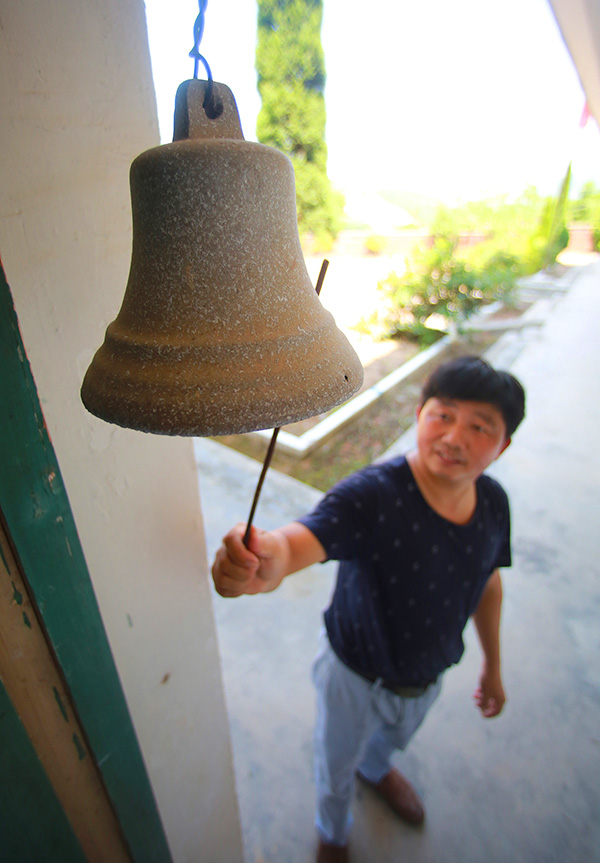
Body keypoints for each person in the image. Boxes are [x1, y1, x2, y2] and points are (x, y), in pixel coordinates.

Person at [212, 355, 526, 863]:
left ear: (503, 444)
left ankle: (377, 770)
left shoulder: (494, 504)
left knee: (390, 743)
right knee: (334, 765)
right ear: (419, 413)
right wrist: (267, 561)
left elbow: (488, 584)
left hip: (428, 676)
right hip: (352, 676)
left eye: (480, 426)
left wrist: (492, 665)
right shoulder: (374, 495)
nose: (454, 437)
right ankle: (332, 833)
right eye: (442, 415)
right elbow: (300, 542)